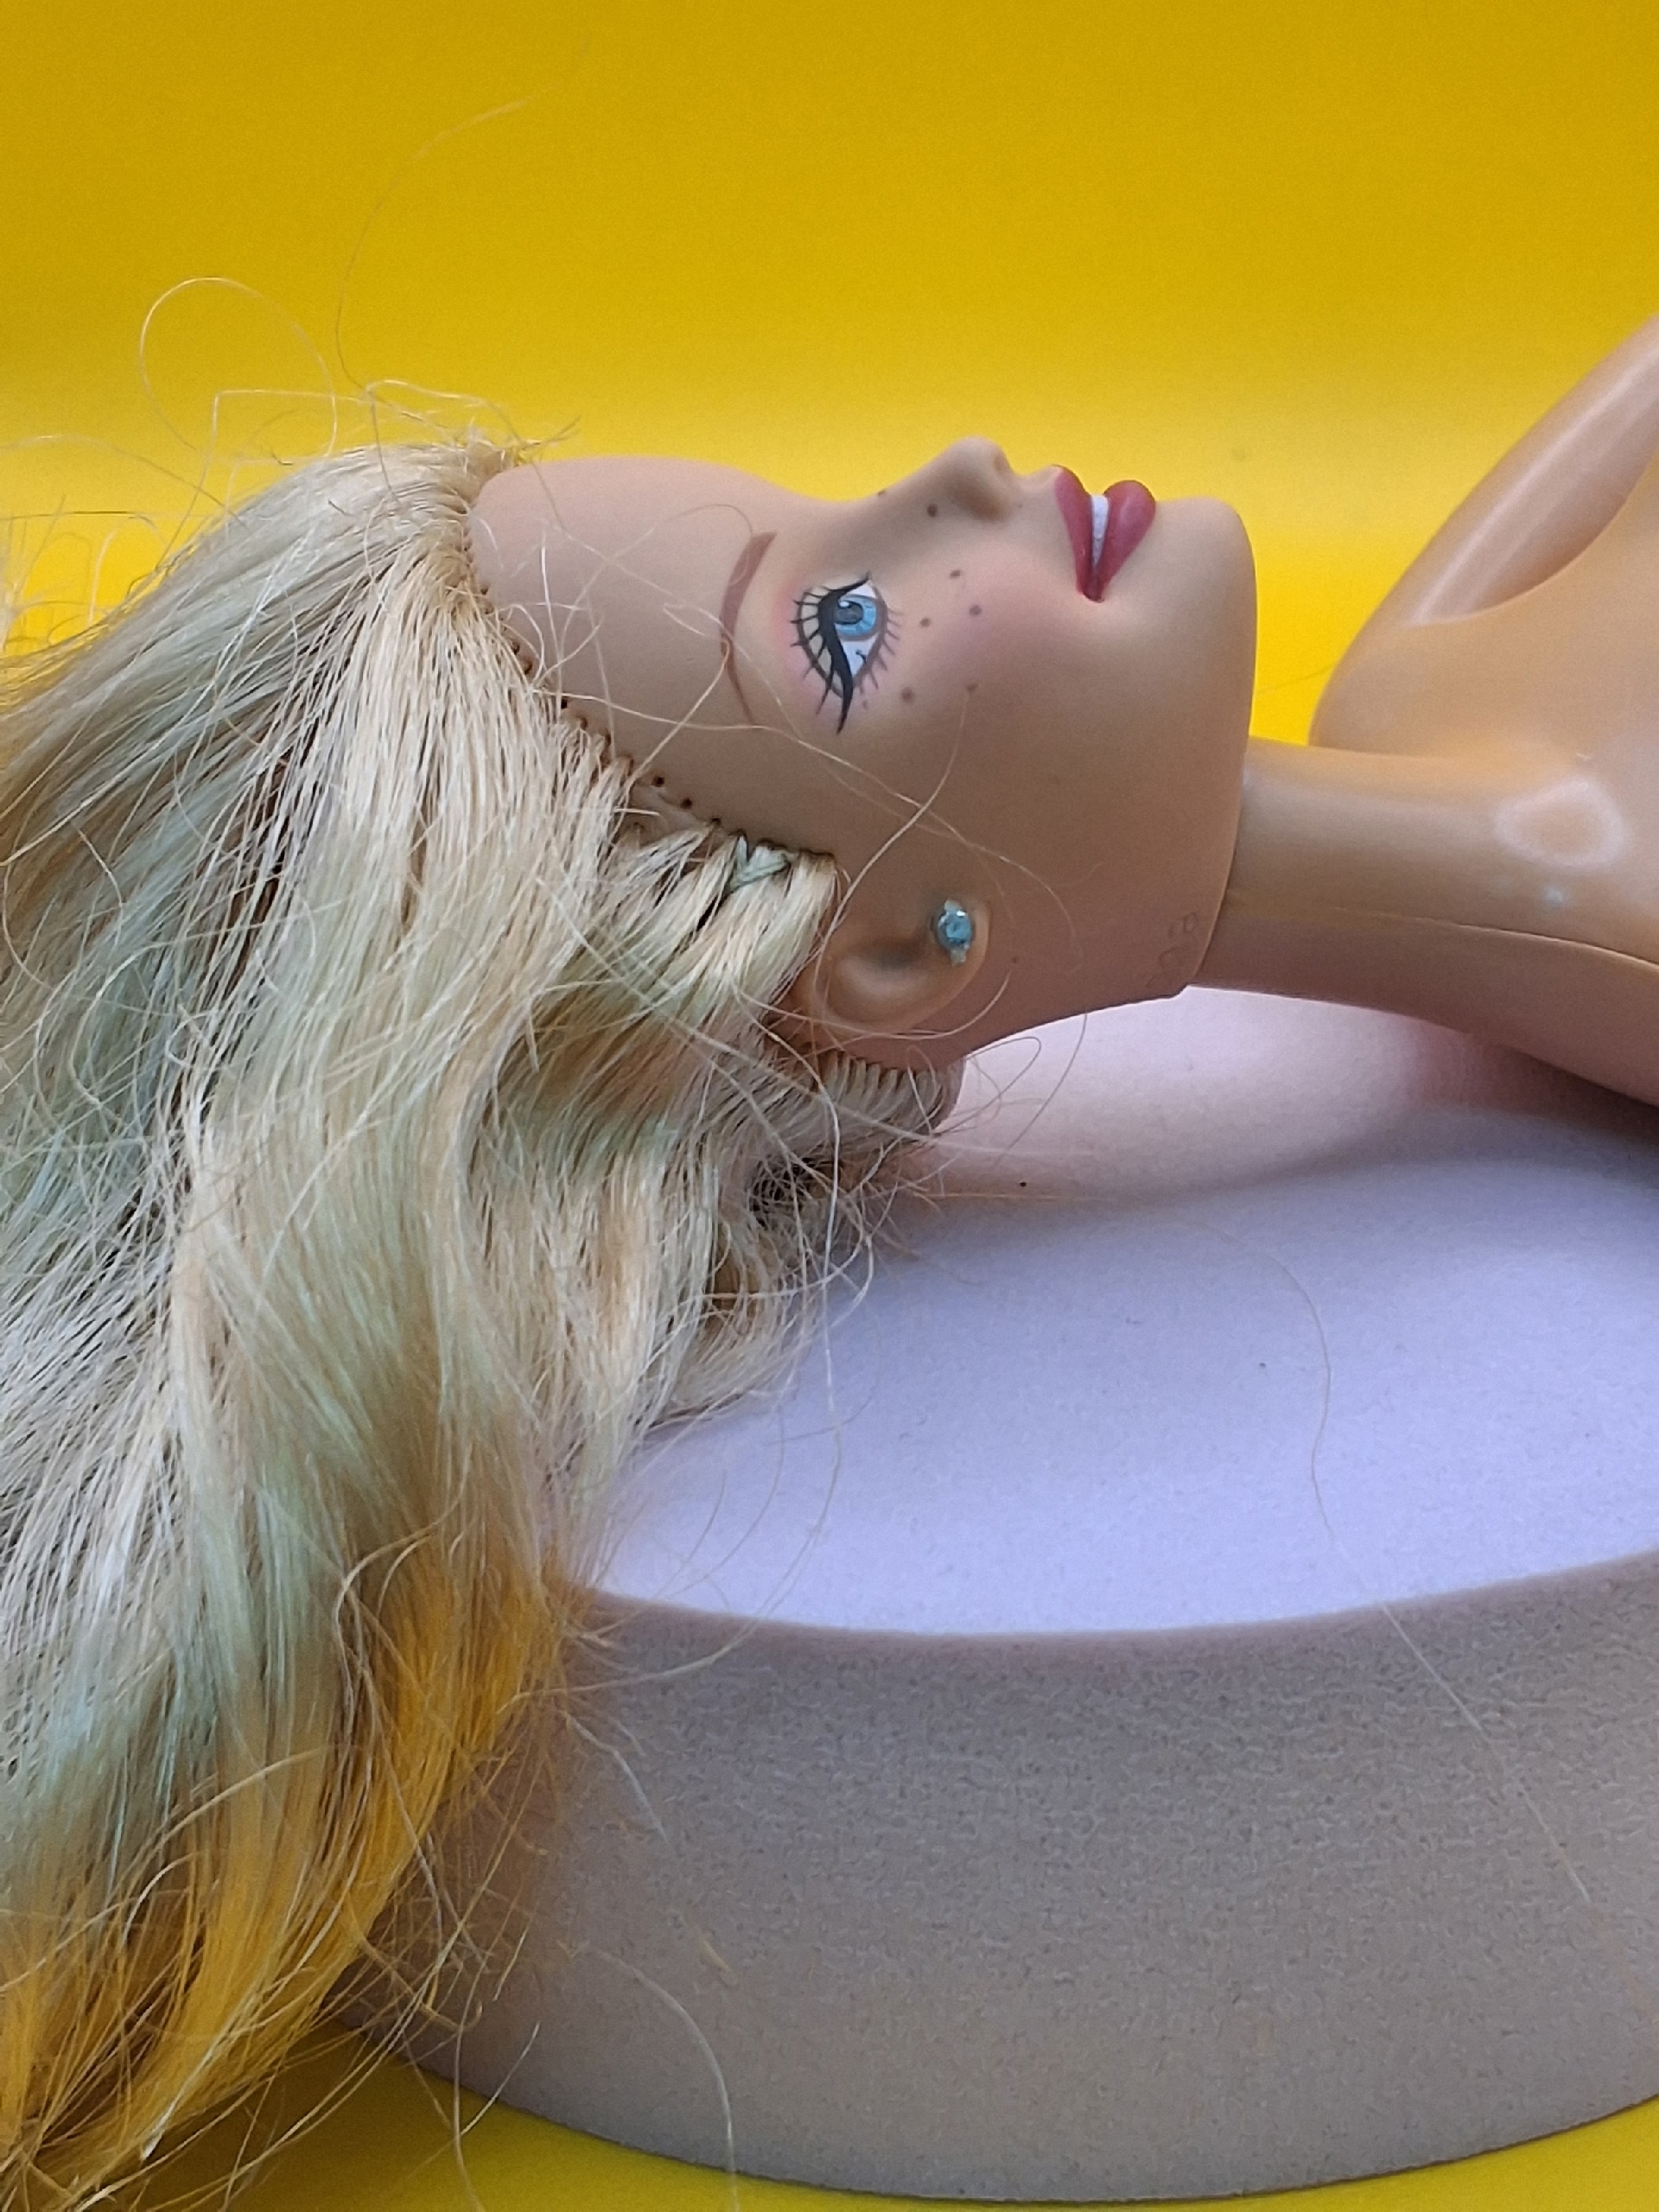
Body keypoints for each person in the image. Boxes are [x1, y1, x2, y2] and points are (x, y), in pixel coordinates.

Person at [5, 318, 1658, 2204]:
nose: (954, 468)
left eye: (826, 510)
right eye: (844, 632)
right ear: (897, 962)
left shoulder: (1400, 688)